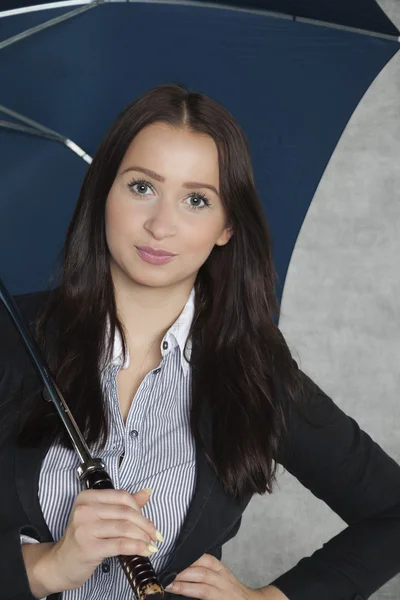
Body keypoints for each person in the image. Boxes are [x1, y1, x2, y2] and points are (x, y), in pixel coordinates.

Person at [0, 83, 399, 600]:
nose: (161, 225)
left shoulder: (255, 368)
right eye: (142, 187)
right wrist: (43, 566)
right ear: (104, 192)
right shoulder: (12, 336)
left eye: (195, 200)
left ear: (227, 225)